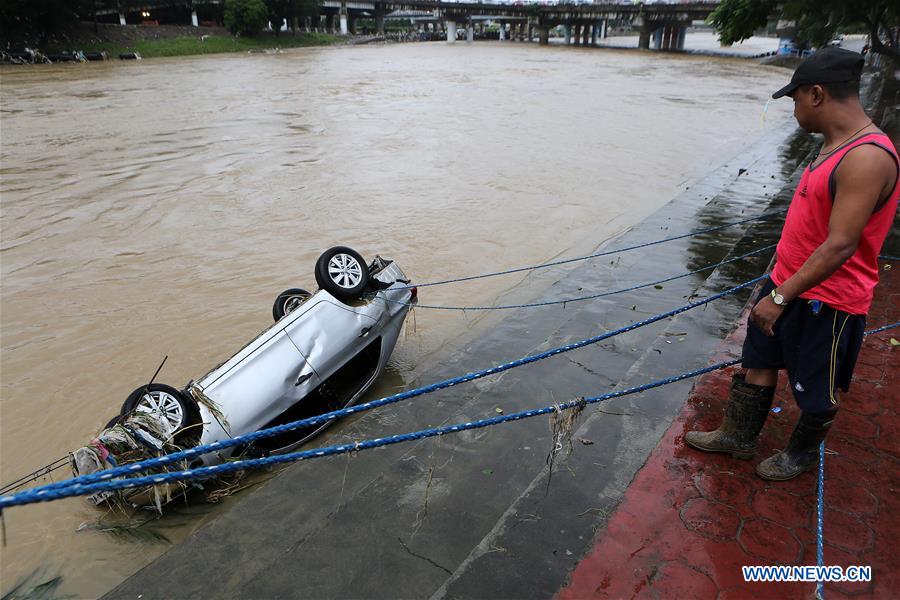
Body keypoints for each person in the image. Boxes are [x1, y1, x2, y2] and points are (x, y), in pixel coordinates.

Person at [685, 47, 899, 481]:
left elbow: (840, 245)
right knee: (757, 360)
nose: (794, 110)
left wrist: (781, 297)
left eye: (795, 99)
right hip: (786, 280)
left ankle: (798, 454)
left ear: (816, 94)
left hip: (829, 299)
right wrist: (777, 286)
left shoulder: (867, 157)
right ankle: (738, 435)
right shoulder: (831, 144)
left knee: (818, 387)